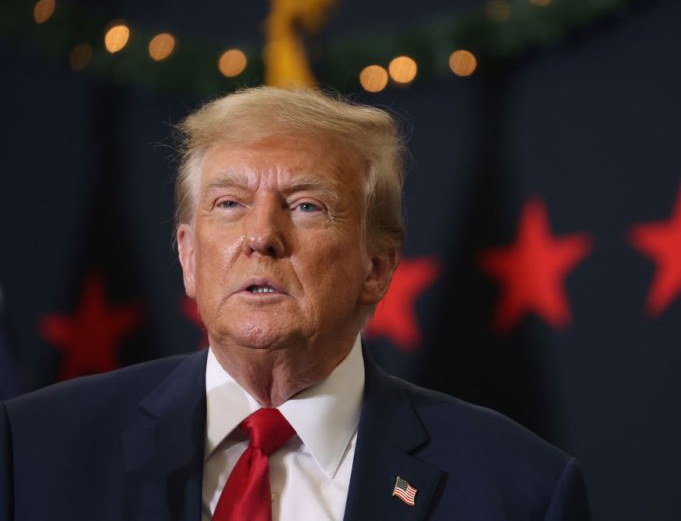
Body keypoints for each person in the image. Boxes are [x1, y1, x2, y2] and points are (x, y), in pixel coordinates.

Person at [0, 87, 590, 520]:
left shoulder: (519, 490)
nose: (261, 236)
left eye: (306, 205)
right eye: (229, 203)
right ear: (187, 257)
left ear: (377, 267)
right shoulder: (32, 452)